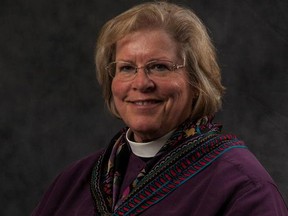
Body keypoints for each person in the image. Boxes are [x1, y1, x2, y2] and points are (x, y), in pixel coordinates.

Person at [32, 1, 288, 215]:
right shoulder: (73, 182)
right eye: (127, 68)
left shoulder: (243, 188)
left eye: (160, 67)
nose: (141, 83)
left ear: (197, 82)